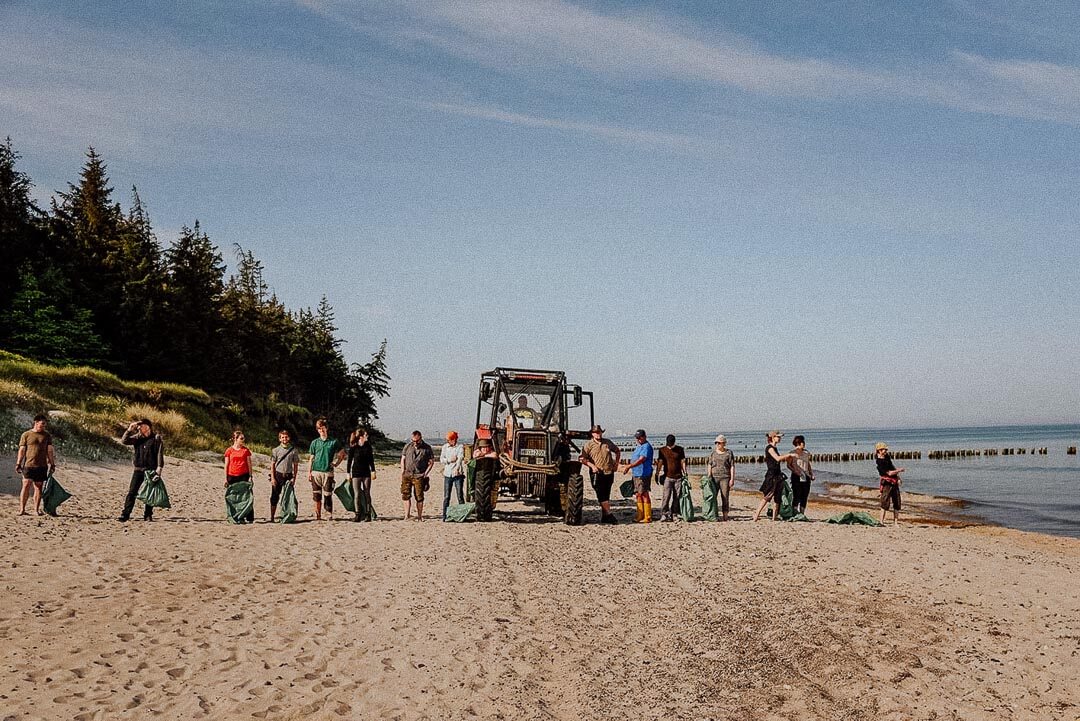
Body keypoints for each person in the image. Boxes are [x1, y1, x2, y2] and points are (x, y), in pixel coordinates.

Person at [117, 418, 164, 522]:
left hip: (151, 470)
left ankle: (148, 515)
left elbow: (159, 454)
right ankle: (125, 514)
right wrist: (129, 429)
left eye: (141, 426)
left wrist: (159, 468)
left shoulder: (156, 438)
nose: (139, 428)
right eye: (138, 427)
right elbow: (124, 441)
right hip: (138, 469)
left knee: (150, 493)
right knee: (132, 492)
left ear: (147, 427)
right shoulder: (137, 438)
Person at [579, 424, 620, 524]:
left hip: (609, 472)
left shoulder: (607, 442)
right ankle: (609, 514)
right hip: (597, 473)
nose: (598, 434)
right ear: (592, 434)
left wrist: (616, 464)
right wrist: (592, 466)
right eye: (596, 432)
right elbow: (581, 458)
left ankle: (605, 516)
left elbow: (617, 451)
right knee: (600, 493)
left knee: (606, 494)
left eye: (599, 432)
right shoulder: (588, 445)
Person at [16, 414, 55, 516]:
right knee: (26, 486)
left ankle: (36, 510)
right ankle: (22, 509)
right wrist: (18, 463)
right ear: (36, 422)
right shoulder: (26, 434)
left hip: (42, 466)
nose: (44, 426)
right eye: (42, 423)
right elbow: (22, 450)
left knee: (38, 487)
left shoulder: (47, 436)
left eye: (45, 424)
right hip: (29, 465)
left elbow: (49, 450)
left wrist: (52, 463)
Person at [308, 417, 346, 521]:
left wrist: (336, 464)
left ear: (326, 428)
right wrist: (309, 472)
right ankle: (318, 516)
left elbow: (342, 453)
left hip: (328, 472)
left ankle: (328, 514)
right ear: (317, 430)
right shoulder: (314, 442)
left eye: (323, 428)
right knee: (316, 495)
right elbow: (311, 458)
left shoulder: (333, 441)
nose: (321, 430)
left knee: (328, 494)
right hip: (316, 472)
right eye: (319, 428)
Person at [753, 430, 794, 521]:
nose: (779, 438)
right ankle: (756, 514)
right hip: (771, 475)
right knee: (768, 495)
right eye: (778, 437)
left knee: (778, 497)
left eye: (780, 437)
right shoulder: (769, 448)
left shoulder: (774, 448)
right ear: (772, 437)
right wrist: (788, 455)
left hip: (778, 475)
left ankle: (774, 517)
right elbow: (777, 458)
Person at [621, 429, 654, 523]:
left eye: (640, 438)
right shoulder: (639, 446)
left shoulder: (646, 447)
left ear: (644, 437)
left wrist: (629, 466)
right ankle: (640, 515)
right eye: (637, 438)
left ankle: (647, 516)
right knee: (637, 494)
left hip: (643, 474)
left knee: (644, 493)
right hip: (636, 473)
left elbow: (641, 459)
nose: (638, 440)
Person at [400, 430, 434, 521]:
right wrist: (402, 471)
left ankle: (419, 516)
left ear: (420, 438)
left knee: (419, 496)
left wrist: (426, 473)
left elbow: (431, 462)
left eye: (417, 441)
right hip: (407, 474)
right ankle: (407, 515)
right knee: (405, 494)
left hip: (419, 475)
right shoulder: (407, 446)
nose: (415, 443)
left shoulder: (427, 448)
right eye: (413, 441)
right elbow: (403, 459)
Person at [347, 427, 377, 522]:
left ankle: (368, 514)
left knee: (367, 493)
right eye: (365, 435)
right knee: (357, 494)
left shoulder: (368, 446)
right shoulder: (353, 447)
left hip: (366, 472)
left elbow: (371, 459)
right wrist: (348, 473)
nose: (367, 436)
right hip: (356, 472)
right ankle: (358, 514)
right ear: (361, 436)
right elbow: (349, 461)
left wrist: (373, 470)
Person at [224, 429, 255, 523]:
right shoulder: (229, 450)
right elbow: (226, 465)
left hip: (244, 475)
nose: (243, 440)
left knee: (246, 496)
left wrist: (251, 476)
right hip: (232, 475)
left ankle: (249, 517)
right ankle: (234, 515)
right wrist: (225, 478)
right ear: (235, 439)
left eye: (243, 438)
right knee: (232, 496)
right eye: (241, 438)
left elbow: (249, 463)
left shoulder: (246, 450)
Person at [270, 429, 300, 522]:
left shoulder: (294, 450)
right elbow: (272, 465)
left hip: (288, 475)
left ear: (289, 438)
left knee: (288, 496)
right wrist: (273, 478)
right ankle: (272, 517)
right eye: (282, 437)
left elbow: (295, 465)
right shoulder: (275, 450)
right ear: (279, 439)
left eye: (286, 437)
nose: (284, 439)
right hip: (278, 475)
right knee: (274, 496)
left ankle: (287, 515)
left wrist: (294, 478)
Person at [657, 434, 687, 522]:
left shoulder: (680, 449)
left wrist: (685, 472)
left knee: (676, 497)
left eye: (670, 444)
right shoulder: (662, 450)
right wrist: (657, 473)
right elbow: (660, 462)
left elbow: (682, 461)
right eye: (668, 444)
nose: (669, 446)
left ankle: (674, 514)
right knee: (666, 496)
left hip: (678, 477)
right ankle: (664, 514)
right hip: (667, 477)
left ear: (674, 442)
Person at [706, 434, 736, 521]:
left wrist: (732, 479)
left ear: (724, 443)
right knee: (713, 497)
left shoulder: (729, 453)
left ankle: (725, 515)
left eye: (720, 443)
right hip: (714, 478)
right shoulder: (713, 453)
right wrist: (709, 475)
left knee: (725, 497)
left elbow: (732, 466)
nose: (718, 444)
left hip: (725, 478)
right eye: (717, 443)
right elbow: (709, 464)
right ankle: (714, 514)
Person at [875, 442, 905, 526]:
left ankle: (895, 522)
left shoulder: (887, 457)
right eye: (884, 449)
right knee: (884, 502)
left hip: (894, 482)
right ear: (879, 451)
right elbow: (889, 473)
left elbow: (892, 467)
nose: (885, 451)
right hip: (886, 483)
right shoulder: (879, 462)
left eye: (886, 449)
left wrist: (898, 477)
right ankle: (881, 521)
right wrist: (899, 470)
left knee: (897, 502)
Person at [439, 430, 466, 521]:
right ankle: (444, 515)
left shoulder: (460, 447)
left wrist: (457, 468)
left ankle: (463, 515)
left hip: (457, 474)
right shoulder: (445, 447)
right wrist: (449, 460)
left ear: (454, 439)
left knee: (460, 495)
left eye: (450, 440)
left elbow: (459, 459)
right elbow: (441, 459)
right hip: (447, 473)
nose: (449, 441)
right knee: (447, 496)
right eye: (448, 440)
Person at [787, 435, 815, 515]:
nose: (804, 444)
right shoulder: (792, 453)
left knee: (805, 495)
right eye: (803, 442)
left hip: (806, 475)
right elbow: (788, 465)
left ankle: (802, 513)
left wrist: (811, 474)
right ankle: (795, 512)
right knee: (797, 494)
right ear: (799, 443)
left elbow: (808, 464)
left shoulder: (806, 452)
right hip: (796, 476)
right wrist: (795, 472)